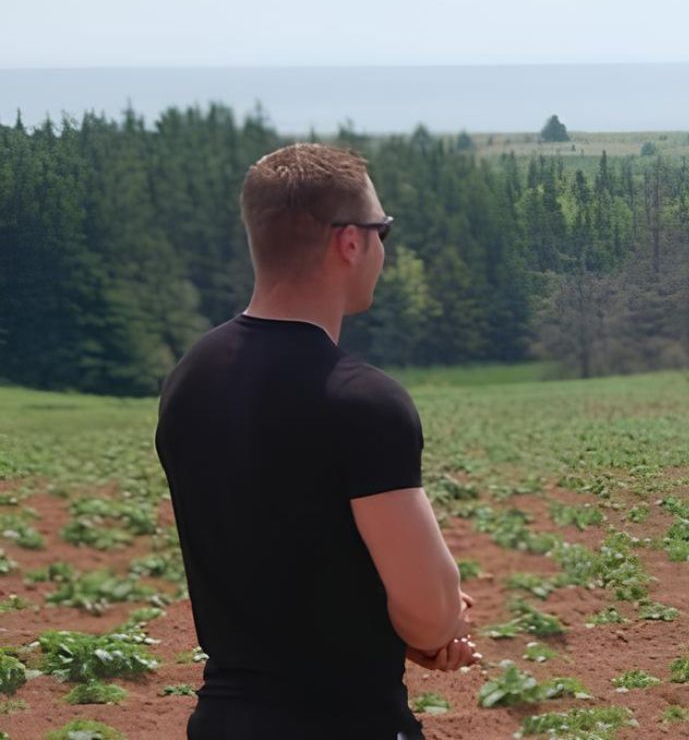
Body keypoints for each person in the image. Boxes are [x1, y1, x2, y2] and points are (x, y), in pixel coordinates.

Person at [155, 142, 478, 740]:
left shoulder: (190, 377)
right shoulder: (362, 402)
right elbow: (430, 610)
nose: (382, 244)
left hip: (224, 721)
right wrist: (437, 625)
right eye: (383, 228)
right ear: (350, 241)